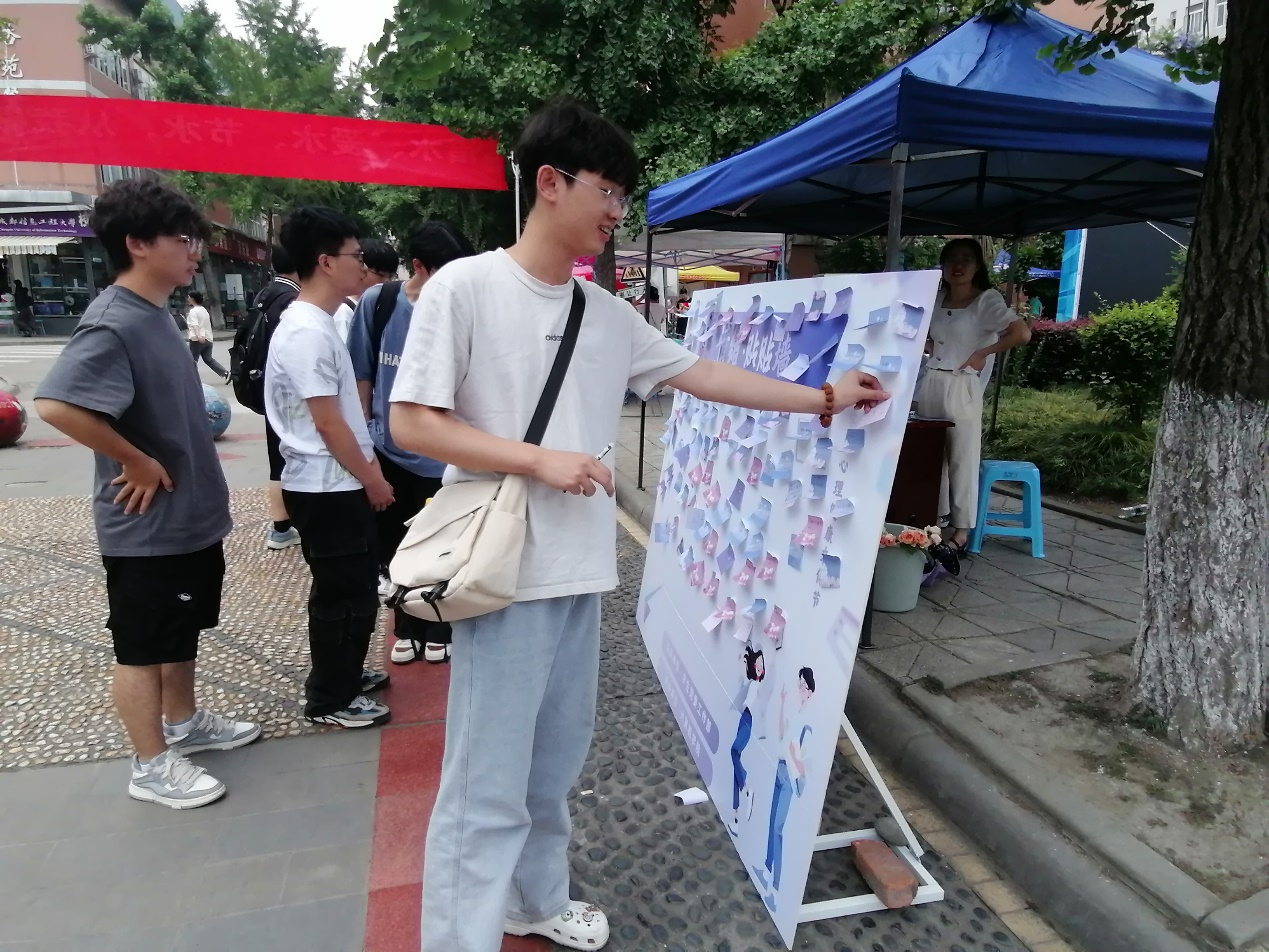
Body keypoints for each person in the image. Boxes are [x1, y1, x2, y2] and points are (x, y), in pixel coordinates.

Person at [388, 97, 888, 952]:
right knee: (484, 785)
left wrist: (822, 398)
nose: (617, 211)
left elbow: (707, 376)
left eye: (623, 195)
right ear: (551, 183)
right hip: (499, 572)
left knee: (553, 767)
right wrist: (537, 459)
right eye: (608, 191)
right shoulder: (466, 288)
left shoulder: (605, 313)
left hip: (579, 571)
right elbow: (413, 423)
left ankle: (534, 901)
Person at [33, 179, 259, 809]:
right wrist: (133, 459)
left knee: (179, 631)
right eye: (183, 239)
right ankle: (151, 765)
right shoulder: (113, 321)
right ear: (136, 243)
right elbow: (55, 404)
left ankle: (183, 723)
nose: (194, 251)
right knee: (141, 648)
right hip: (147, 529)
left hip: (187, 519)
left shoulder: (155, 312)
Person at [266, 205, 396, 729]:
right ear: (324, 262)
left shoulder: (317, 324)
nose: (361, 266)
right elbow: (328, 424)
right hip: (327, 486)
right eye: (355, 256)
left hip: (335, 482)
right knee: (343, 594)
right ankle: (330, 700)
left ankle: (344, 675)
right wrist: (373, 479)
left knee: (354, 588)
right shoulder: (307, 332)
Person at [348, 221, 475, 666]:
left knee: (446, 545)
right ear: (419, 266)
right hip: (391, 453)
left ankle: (439, 626)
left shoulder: (462, 307)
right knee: (397, 547)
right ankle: (405, 625)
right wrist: (365, 441)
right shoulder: (379, 303)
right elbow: (362, 372)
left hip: (448, 455)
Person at [915, 238, 1031, 551]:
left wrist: (983, 353)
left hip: (962, 383)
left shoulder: (985, 300)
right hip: (931, 381)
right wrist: (927, 345)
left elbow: (1021, 333)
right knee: (930, 456)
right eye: (951, 258)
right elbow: (927, 335)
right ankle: (935, 520)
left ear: (978, 265)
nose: (958, 265)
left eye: (966, 259)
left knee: (961, 457)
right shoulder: (937, 298)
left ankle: (962, 529)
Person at [253, 246, 302, 550]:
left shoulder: (265, 294)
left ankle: (281, 528)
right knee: (289, 457)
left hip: (265, 384)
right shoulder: (291, 300)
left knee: (276, 457)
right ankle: (286, 526)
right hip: (287, 391)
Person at [758, 667, 816, 905]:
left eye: (804, 685)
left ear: (810, 691)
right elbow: (783, 733)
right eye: (799, 683)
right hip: (780, 768)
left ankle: (776, 886)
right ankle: (766, 869)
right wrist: (782, 704)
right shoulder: (795, 712)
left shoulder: (808, 722)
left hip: (791, 777)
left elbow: (804, 764)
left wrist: (794, 755)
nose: (800, 688)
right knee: (771, 820)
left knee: (778, 828)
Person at [334, 237, 399, 344]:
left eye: (391, 276)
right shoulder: (345, 312)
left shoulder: (374, 308)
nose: (387, 281)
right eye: (382, 275)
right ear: (363, 269)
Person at [185, 291, 230, 382]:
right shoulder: (204, 310)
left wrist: (198, 336)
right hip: (208, 338)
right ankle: (225, 373)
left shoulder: (193, 311)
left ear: (193, 299)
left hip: (197, 339)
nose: (188, 299)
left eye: (189, 297)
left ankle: (191, 379)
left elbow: (195, 324)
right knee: (208, 359)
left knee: (192, 360)